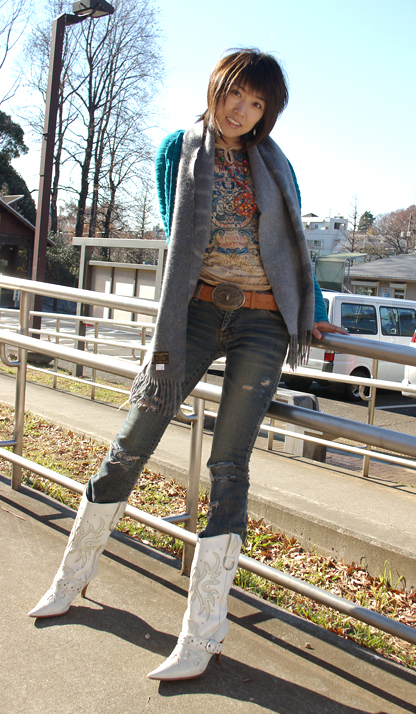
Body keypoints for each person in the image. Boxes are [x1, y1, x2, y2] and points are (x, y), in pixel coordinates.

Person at [28, 48, 347, 681]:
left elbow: (292, 247)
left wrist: (309, 307)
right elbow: (178, 234)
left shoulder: (276, 163)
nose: (241, 110)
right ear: (216, 87)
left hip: (264, 321)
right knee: (131, 441)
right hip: (195, 313)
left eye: (257, 103)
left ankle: (202, 632)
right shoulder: (179, 149)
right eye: (235, 94)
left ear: (268, 113)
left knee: (229, 467)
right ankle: (72, 576)